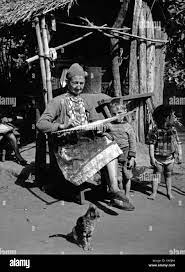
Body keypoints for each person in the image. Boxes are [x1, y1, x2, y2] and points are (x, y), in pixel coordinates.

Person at [36, 63, 134, 210]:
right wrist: (61, 126)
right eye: (75, 83)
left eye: (81, 83)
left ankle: (114, 190)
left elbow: (89, 123)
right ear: (67, 82)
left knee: (108, 142)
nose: (78, 86)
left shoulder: (83, 101)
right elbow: (41, 124)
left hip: (84, 142)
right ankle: (111, 191)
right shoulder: (58, 101)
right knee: (105, 146)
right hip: (67, 148)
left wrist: (100, 126)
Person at [103, 98, 136, 202]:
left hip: (126, 154)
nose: (117, 116)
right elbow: (105, 134)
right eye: (114, 114)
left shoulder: (128, 126)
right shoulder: (110, 125)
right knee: (118, 178)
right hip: (115, 155)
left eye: (120, 113)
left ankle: (127, 194)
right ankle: (120, 194)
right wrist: (106, 133)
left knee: (127, 176)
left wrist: (132, 158)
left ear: (125, 112)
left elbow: (132, 142)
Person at [148, 105, 182, 200]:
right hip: (158, 159)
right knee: (156, 175)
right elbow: (151, 144)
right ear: (166, 118)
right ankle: (154, 192)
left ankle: (169, 192)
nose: (174, 117)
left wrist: (180, 154)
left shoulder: (173, 130)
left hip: (170, 158)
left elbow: (178, 142)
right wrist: (151, 157)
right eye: (172, 115)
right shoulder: (155, 130)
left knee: (168, 175)